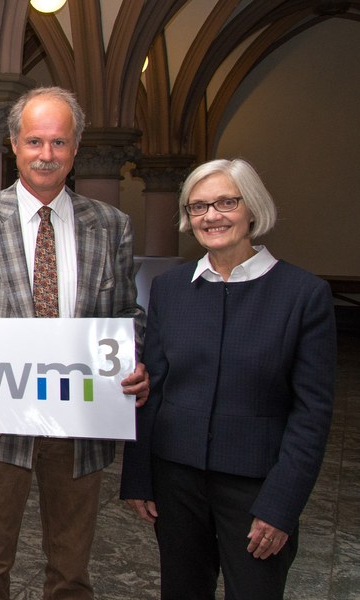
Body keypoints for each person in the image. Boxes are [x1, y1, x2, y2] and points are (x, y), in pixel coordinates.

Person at [0, 86, 150, 600]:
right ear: (13, 144)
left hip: (82, 418)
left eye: (58, 142)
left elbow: (126, 314)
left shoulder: (111, 226)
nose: (46, 155)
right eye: (34, 141)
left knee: (72, 571)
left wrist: (131, 359)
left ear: (75, 148)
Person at [120, 158, 335, 599]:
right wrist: (140, 477)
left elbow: (311, 414)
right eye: (198, 207)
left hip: (258, 487)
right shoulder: (171, 288)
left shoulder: (303, 295)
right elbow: (152, 387)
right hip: (176, 483)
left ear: (252, 209)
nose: (211, 215)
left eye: (226, 202)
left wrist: (281, 506)